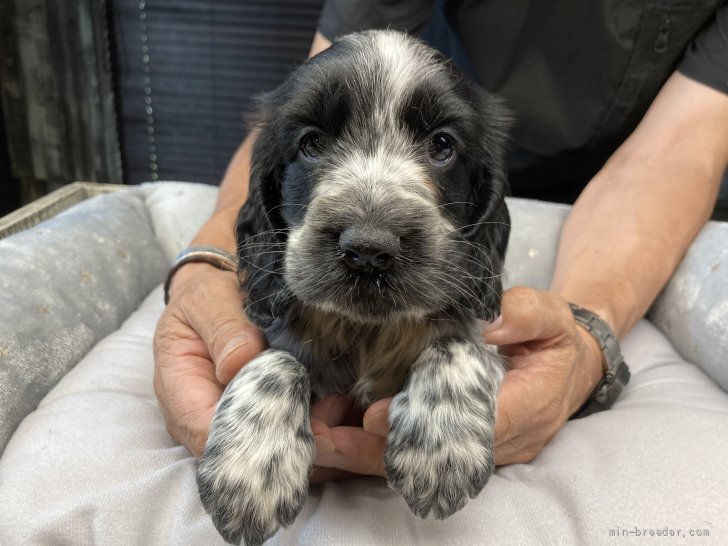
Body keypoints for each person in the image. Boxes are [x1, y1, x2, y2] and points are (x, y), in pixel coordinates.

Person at [153, 1, 728, 483]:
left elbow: (675, 152)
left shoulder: (472, 213)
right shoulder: (282, 183)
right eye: (313, 143)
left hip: (602, 178)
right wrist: (209, 264)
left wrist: (587, 334)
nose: (369, 232)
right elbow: (318, 83)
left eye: (439, 145)